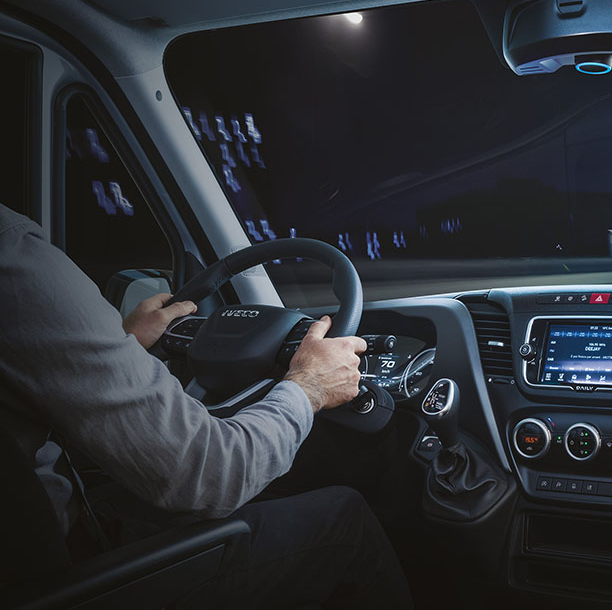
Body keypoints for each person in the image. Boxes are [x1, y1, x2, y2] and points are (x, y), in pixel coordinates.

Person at [0, 204, 412, 608]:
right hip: (56, 573)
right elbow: (212, 474)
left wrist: (120, 348)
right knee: (345, 523)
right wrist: (309, 387)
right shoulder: (15, 258)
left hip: (33, 540)